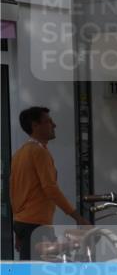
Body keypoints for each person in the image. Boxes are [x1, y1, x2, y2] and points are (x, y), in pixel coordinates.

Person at [9, 107, 88, 260]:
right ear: (35, 125)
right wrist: (77, 216)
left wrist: (18, 229)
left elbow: (14, 191)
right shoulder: (39, 152)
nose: (54, 125)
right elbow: (50, 188)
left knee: (32, 272)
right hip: (36, 224)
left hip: (23, 223)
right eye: (48, 121)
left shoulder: (19, 154)